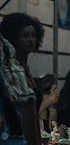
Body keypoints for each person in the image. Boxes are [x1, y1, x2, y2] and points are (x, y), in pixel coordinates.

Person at [0, 12, 45, 145]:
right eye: (25, 36)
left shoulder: (25, 69)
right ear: (14, 38)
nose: (31, 40)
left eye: (33, 35)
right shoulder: (10, 73)